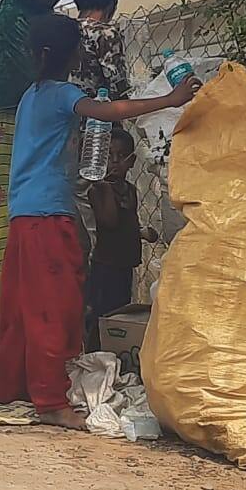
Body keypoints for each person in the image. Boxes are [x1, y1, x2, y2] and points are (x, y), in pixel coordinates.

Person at [0, 14, 199, 429]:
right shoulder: (63, 95)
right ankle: (51, 401)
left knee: (20, 306)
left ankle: (12, 385)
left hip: (22, 216)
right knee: (57, 304)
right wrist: (170, 100)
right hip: (49, 215)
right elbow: (106, 110)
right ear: (63, 54)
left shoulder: (30, 96)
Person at [0, 0, 70, 374]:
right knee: (1, 241)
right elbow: (40, 83)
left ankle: (32, 351)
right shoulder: (15, 25)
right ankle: (0, 346)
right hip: (8, 133)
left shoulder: (50, 29)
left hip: (42, 141)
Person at [69, 0, 131, 264]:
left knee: (71, 210)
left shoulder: (65, 31)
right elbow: (118, 86)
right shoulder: (105, 33)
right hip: (96, 138)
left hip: (63, 133)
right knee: (95, 212)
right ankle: (90, 289)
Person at [84, 128, 158, 351]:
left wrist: (143, 233)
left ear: (131, 161)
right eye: (108, 157)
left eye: (120, 157)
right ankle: (94, 355)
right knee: (100, 316)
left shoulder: (130, 190)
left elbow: (128, 223)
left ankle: (113, 355)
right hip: (105, 265)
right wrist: (105, 187)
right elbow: (110, 221)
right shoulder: (98, 189)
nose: (114, 163)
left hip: (124, 263)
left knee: (120, 312)